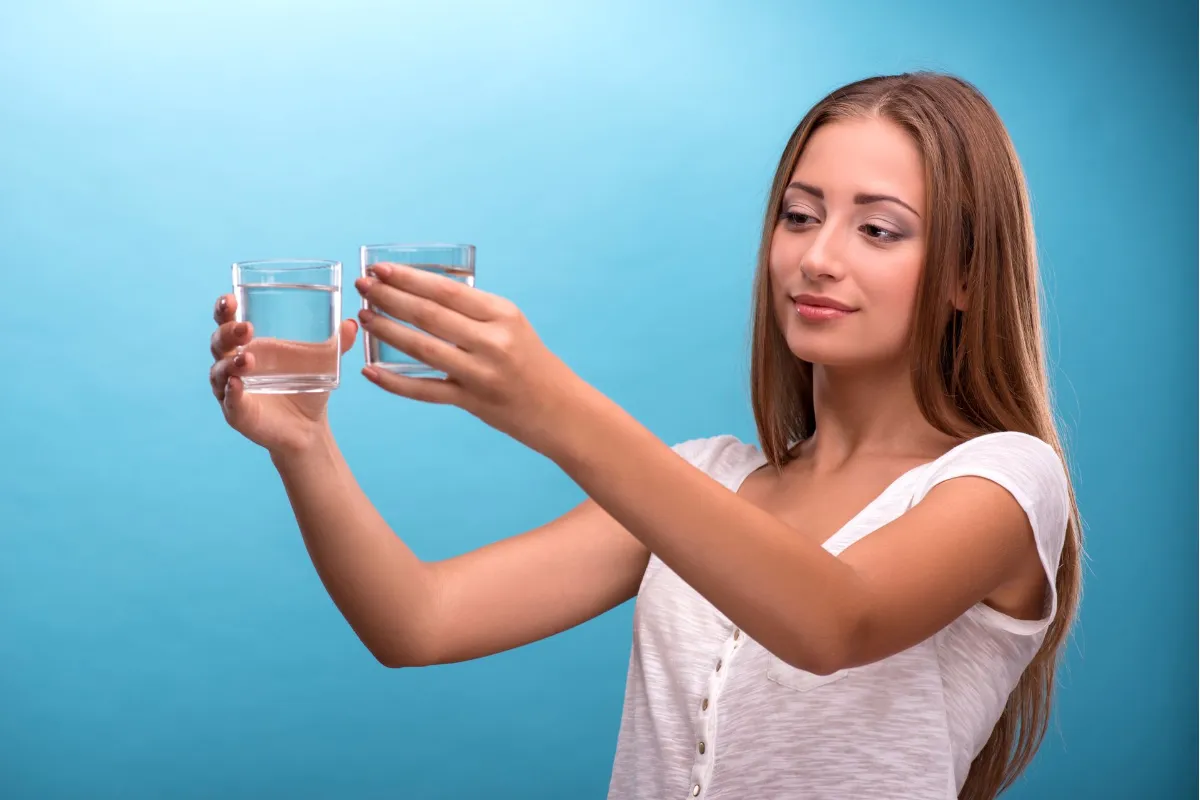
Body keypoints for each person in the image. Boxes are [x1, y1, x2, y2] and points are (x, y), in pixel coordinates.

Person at [207, 71, 1081, 800]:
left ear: (967, 272)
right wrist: (303, 446)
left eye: (878, 228)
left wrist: (553, 407)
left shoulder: (1004, 482)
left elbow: (835, 622)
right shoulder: (702, 480)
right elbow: (416, 622)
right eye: (800, 215)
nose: (818, 257)